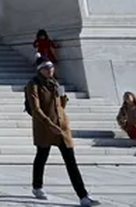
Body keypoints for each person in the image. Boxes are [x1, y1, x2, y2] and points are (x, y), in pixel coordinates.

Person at [25, 59, 100, 205]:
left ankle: (83, 196)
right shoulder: (33, 84)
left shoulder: (55, 83)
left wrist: (63, 97)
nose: (50, 70)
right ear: (40, 69)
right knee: (42, 156)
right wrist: (49, 124)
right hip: (45, 128)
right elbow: (36, 109)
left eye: (51, 67)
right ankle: (37, 186)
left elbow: (60, 106)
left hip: (62, 127)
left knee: (71, 161)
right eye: (46, 68)